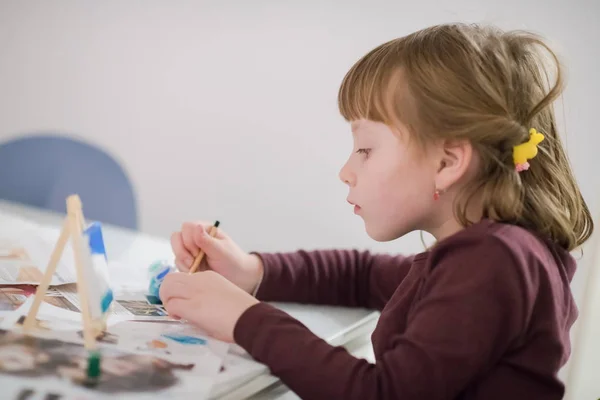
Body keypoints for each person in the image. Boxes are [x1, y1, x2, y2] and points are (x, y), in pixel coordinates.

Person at [159, 22, 594, 400]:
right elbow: (362, 275)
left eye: (366, 149)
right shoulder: (493, 253)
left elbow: (381, 394)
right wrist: (253, 271)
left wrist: (243, 318)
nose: (346, 171)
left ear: (447, 163)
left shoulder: (494, 262)